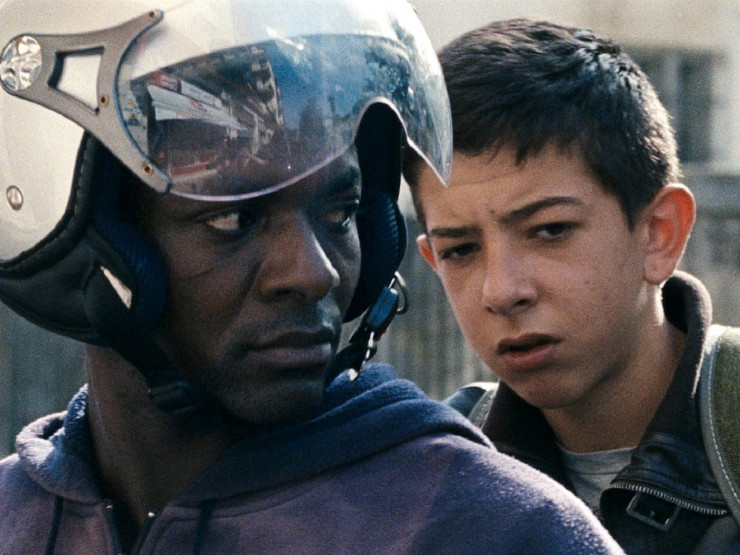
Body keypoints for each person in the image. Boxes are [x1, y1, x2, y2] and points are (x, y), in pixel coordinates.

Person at [0, 2, 623, 553]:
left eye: (339, 214)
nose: (313, 272)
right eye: (235, 219)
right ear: (83, 245)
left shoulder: (497, 530)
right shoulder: (13, 517)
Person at [408, 16, 740, 554]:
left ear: (659, 234)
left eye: (550, 230)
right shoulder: (434, 478)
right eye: (460, 250)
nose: (501, 291)